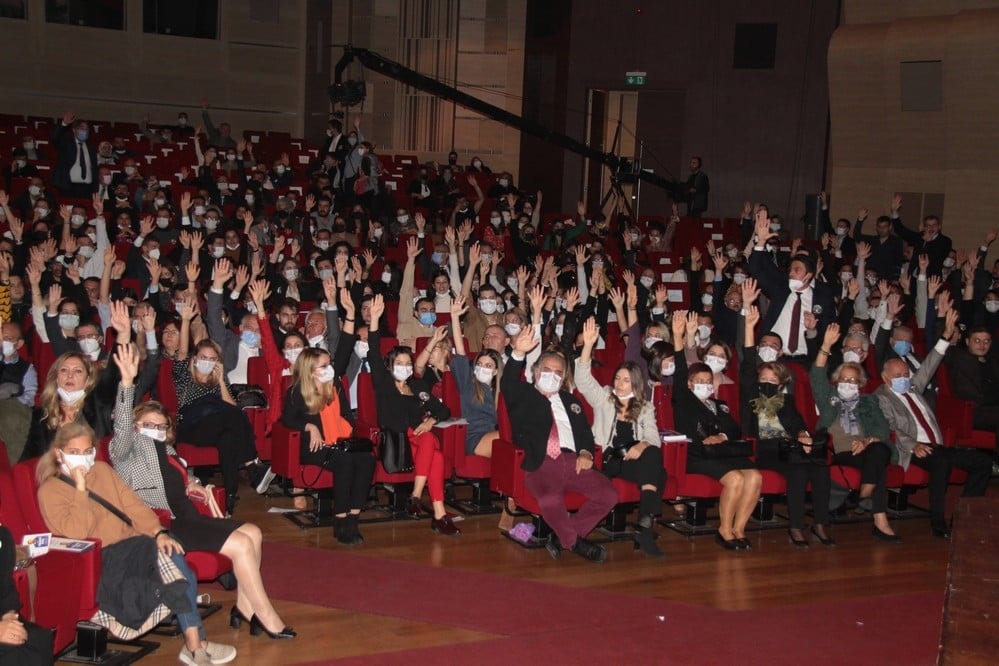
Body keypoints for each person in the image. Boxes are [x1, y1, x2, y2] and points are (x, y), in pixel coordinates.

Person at [108, 345, 295, 640]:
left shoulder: (167, 450)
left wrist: (192, 483)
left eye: (160, 425)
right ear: (135, 426)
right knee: (241, 545)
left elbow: (178, 478)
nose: (154, 429)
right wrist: (128, 384)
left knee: (254, 532)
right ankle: (267, 614)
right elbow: (120, 429)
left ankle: (245, 609)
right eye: (147, 425)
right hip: (162, 524)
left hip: (188, 516)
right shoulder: (125, 452)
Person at [37, 421, 237, 666]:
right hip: (102, 558)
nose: (82, 459)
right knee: (176, 567)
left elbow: (133, 506)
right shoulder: (50, 490)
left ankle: (195, 644)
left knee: (172, 551)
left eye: (87, 451)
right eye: (74, 453)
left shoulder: (102, 470)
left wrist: (158, 532)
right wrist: (80, 490)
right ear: (59, 453)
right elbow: (78, 532)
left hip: (135, 545)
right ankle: (196, 645)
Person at [500, 324, 617, 563]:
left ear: (563, 377)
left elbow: (584, 432)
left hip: (573, 461)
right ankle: (574, 543)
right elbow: (508, 382)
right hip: (541, 462)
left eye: (558, 372)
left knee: (608, 494)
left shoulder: (570, 400)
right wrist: (518, 353)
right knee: (549, 500)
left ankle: (562, 537)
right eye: (547, 370)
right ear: (535, 371)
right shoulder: (523, 395)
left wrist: (585, 451)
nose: (552, 375)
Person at [875, 311, 992, 539]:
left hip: (938, 446)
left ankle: (963, 516)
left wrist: (946, 337)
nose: (904, 378)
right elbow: (889, 427)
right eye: (898, 375)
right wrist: (913, 444)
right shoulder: (881, 396)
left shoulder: (912, 388)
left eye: (906, 374)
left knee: (983, 462)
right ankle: (938, 522)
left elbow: (929, 364)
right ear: (886, 379)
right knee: (939, 463)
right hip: (914, 448)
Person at [741, 306, 833, 547]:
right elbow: (749, 362)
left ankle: (821, 524)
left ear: (781, 383)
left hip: (789, 447)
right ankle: (795, 527)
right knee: (799, 468)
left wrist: (803, 434)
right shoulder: (751, 394)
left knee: (820, 468)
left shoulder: (786, 400)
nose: (768, 383)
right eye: (764, 380)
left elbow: (798, 423)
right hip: (764, 448)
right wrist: (750, 327)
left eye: (773, 380)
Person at [367, 295, 458, 535]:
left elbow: (443, 409)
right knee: (432, 446)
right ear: (390, 366)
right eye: (400, 362)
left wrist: (431, 419)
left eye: (409, 363)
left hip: (417, 439)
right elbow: (374, 354)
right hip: (397, 440)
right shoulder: (384, 384)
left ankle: (432, 509)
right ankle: (422, 500)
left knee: (433, 449)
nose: (406, 367)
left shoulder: (418, 386)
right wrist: (375, 320)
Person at [671, 311, 761, 551]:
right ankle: (724, 529)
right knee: (735, 479)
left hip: (722, 451)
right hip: (697, 454)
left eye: (707, 381)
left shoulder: (719, 405)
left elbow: (734, 429)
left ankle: (739, 528)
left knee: (755, 476)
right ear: (690, 384)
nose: (704, 385)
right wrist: (678, 337)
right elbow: (680, 370)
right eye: (698, 381)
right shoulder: (684, 399)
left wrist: (721, 435)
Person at [575, 317, 666, 557]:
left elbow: (654, 438)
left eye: (626, 380)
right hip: (609, 459)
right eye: (618, 379)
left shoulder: (645, 406)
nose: (620, 384)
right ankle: (645, 528)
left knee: (653, 456)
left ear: (636, 384)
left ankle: (644, 528)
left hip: (634, 460)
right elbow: (583, 381)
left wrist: (642, 445)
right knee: (657, 469)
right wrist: (587, 346)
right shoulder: (605, 398)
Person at [174, 300, 266, 514]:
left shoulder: (217, 380)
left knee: (227, 437)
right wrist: (186, 321)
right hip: (191, 426)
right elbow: (181, 352)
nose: (207, 362)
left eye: (212, 359)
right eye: (203, 358)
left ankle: (230, 496)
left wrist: (221, 379)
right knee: (230, 415)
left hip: (216, 426)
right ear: (195, 359)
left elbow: (232, 408)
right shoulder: (183, 376)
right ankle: (253, 466)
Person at [812, 324, 900, 542]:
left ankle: (865, 496)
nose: (848, 383)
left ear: (860, 383)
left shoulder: (869, 402)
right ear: (836, 380)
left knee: (879, 450)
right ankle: (878, 519)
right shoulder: (829, 399)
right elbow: (816, 375)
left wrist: (866, 441)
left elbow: (881, 429)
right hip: (840, 451)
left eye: (852, 380)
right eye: (844, 379)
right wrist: (825, 345)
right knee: (878, 464)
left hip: (868, 450)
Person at [280, 345, 376, 546]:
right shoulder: (296, 391)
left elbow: (348, 416)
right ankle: (340, 519)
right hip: (315, 447)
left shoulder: (336, 386)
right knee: (344, 462)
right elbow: (287, 420)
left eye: (329, 363)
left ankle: (353, 518)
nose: (329, 368)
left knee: (367, 459)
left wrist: (346, 430)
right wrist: (309, 426)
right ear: (310, 370)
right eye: (324, 365)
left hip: (340, 442)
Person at [0, 525, 52, 665]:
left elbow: (7, 593)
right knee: (13, 655)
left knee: (38, 639)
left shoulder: (2, 537)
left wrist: (9, 616)